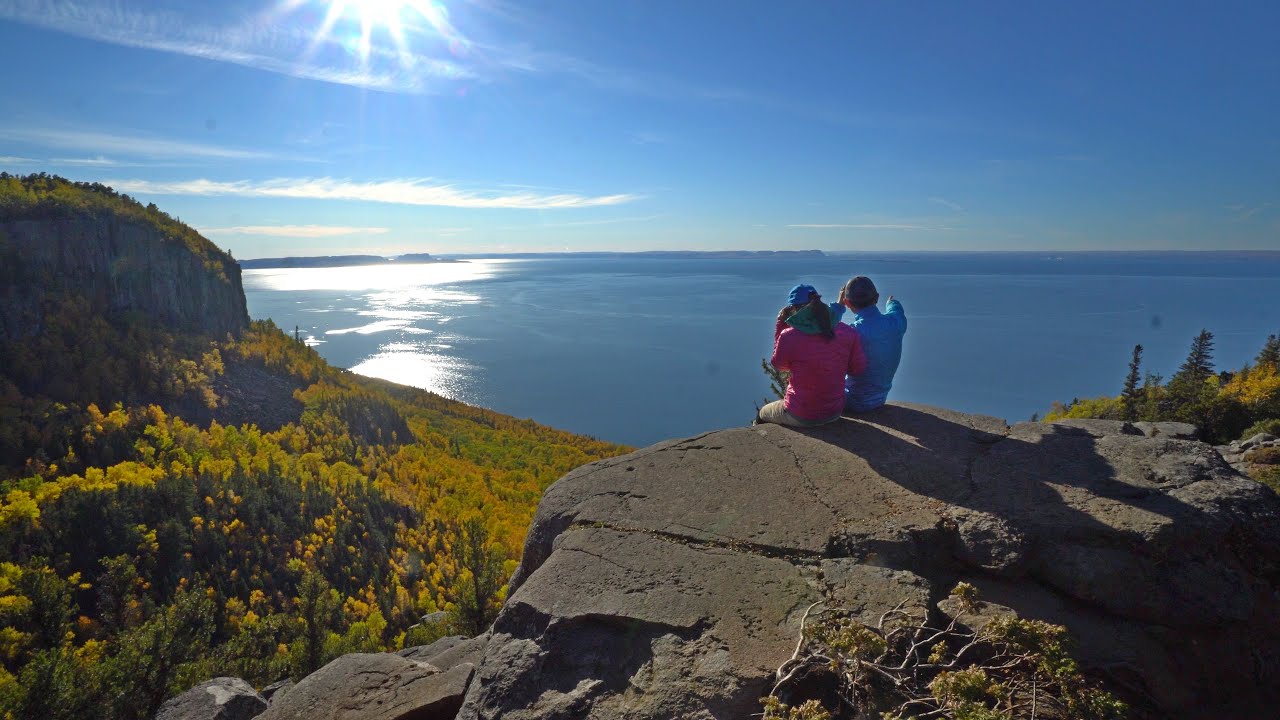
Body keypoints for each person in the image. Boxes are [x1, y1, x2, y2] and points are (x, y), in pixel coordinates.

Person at [758, 284, 867, 427]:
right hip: (834, 411)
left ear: (794, 309)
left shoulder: (789, 336)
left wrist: (781, 324)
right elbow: (857, 369)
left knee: (762, 414)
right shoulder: (848, 332)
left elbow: (779, 366)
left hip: (800, 413)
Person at [834, 276, 906, 412]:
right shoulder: (896, 323)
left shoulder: (852, 332)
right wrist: (892, 303)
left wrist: (839, 305)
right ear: (877, 298)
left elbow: (825, 329)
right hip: (880, 399)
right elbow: (897, 310)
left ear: (847, 303)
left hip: (852, 400)